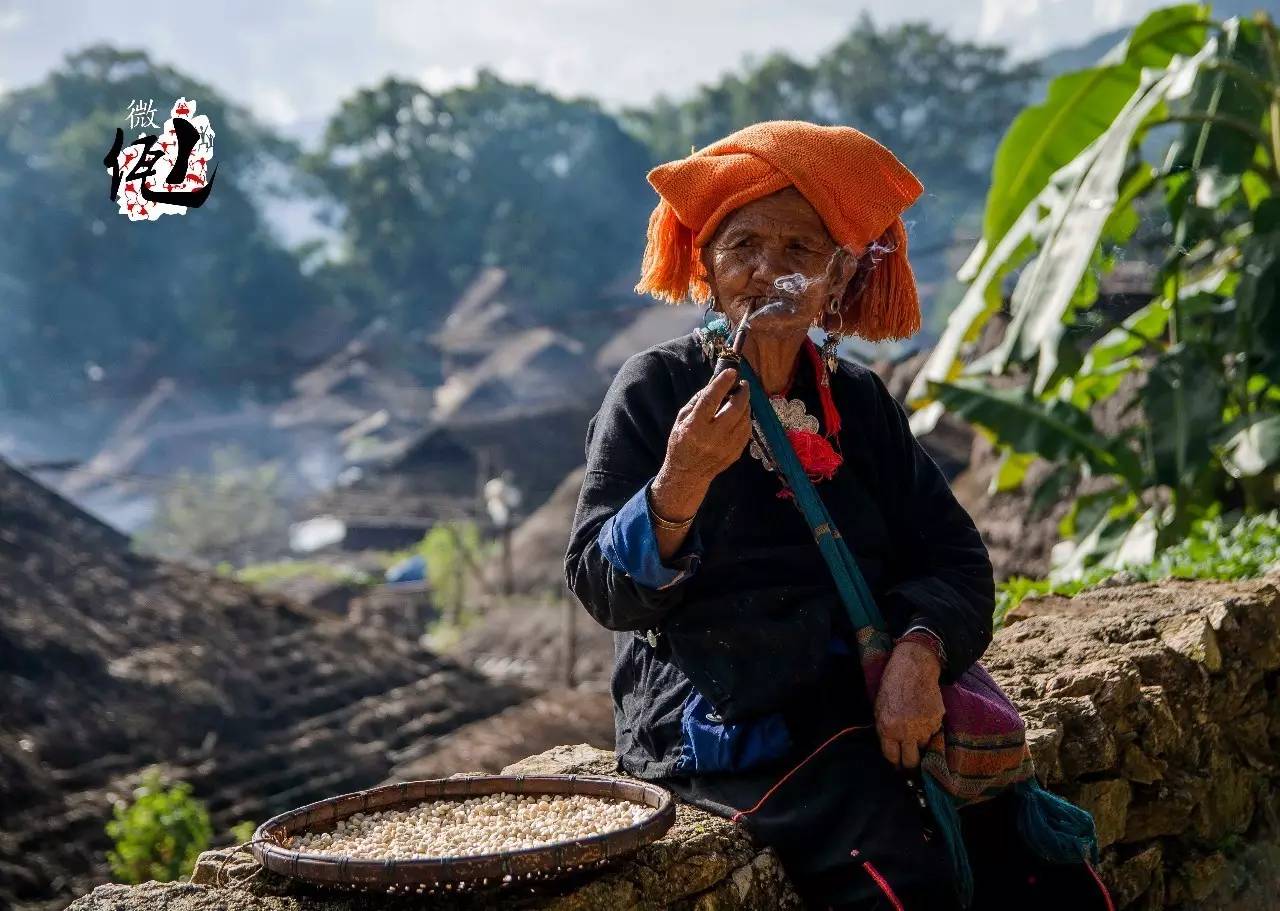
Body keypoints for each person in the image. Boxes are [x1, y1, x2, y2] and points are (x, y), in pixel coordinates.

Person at [564, 121, 1113, 910]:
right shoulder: (654, 392)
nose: (767, 273)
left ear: (836, 277)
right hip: (727, 726)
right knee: (900, 879)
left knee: (1047, 876)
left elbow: (956, 559)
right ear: (707, 270)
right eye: (743, 246)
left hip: (872, 703)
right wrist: (679, 482)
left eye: (798, 252)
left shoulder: (857, 401)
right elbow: (598, 583)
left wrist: (919, 657)